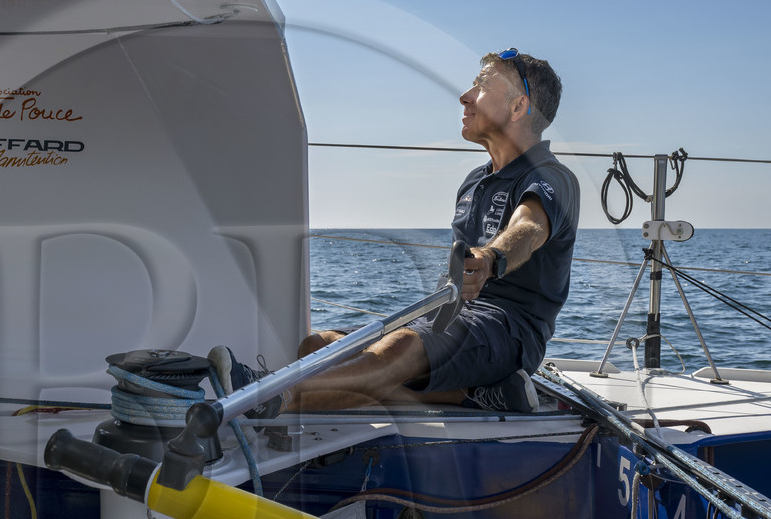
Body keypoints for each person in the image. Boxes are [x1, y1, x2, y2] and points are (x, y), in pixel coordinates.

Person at [213, 49, 579, 414]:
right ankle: (474, 395)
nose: (465, 96)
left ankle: (267, 397)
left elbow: (528, 228)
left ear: (518, 107)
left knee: (399, 350)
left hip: (507, 328)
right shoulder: (473, 183)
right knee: (316, 346)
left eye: (482, 85)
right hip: (448, 314)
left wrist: (491, 258)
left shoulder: (551, 177)